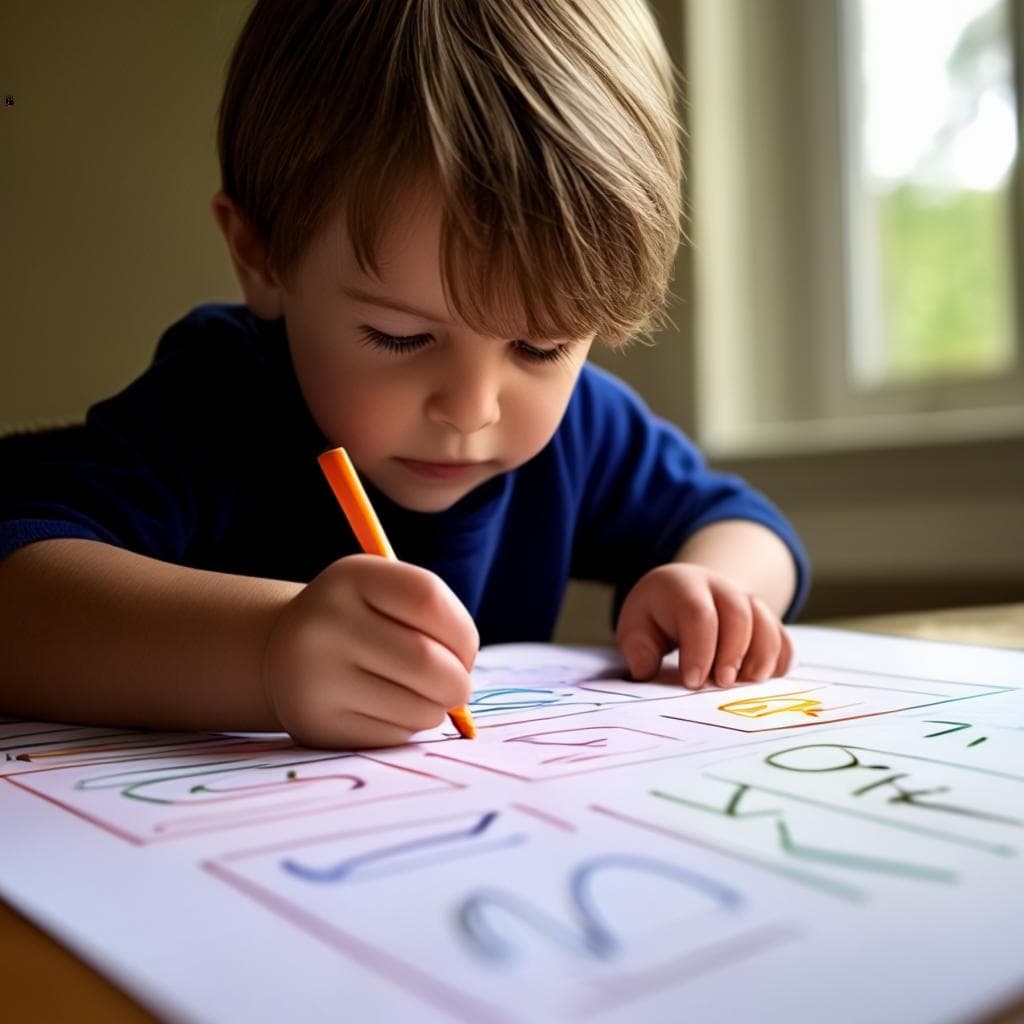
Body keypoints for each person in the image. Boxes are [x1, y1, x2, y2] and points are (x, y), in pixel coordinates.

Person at [0, 0, 808, 749]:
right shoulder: (218, 399)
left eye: (541, 347)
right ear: (262, 256)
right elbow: (18, 594)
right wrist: (266, 652)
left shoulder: (585, 431)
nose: (471, 407)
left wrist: (713, 588)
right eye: (400, 336)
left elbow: (746, 523)